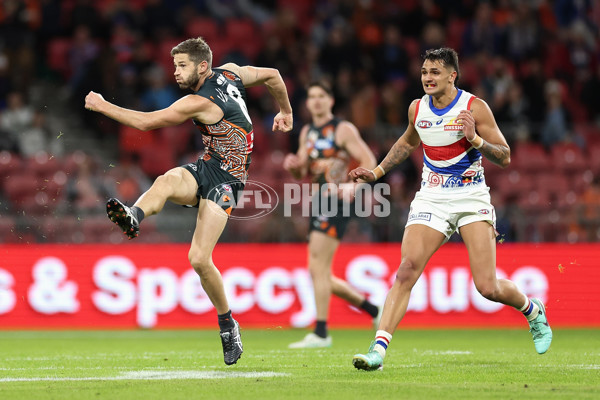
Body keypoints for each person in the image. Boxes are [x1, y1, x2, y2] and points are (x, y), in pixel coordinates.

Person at [84, 37, 293, 365]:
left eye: (182, 66)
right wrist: (286, 110)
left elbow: (146, 122)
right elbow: (273, 75)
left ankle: (228, 324)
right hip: (207, 166)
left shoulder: (198, 101)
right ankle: (134, 214)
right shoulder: (232, 73)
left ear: (203, 66)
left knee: (198, 258)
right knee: (166, 180)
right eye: (175, 66)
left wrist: (102, 105)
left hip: (228, 182)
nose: (175, 73)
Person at [349, 48, 552, 371]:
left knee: (487, 287)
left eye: (435, 72)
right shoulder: (417, 108)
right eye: (424, 72)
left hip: (471, 198)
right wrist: (375, 173)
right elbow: (407, 142)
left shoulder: (474, 108)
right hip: (432, 196)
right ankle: (378, 350)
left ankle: (532, 311)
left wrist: (476, 141)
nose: (427, 78)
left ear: (452, 75)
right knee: (405, 271)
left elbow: (505, 156)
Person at [283, 80, 379, 348]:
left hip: (336, 201)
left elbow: (369, 161)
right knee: (319, 272)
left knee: (318, 269)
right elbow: (302, 172)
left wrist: (354, 185)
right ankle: (373, 311)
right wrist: (293, 166)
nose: (315, 101)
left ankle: (322, 333)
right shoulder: (307, 133)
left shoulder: (342, 129)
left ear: (331, 101)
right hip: (319, 200)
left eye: (321, 96)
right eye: (311, 96)